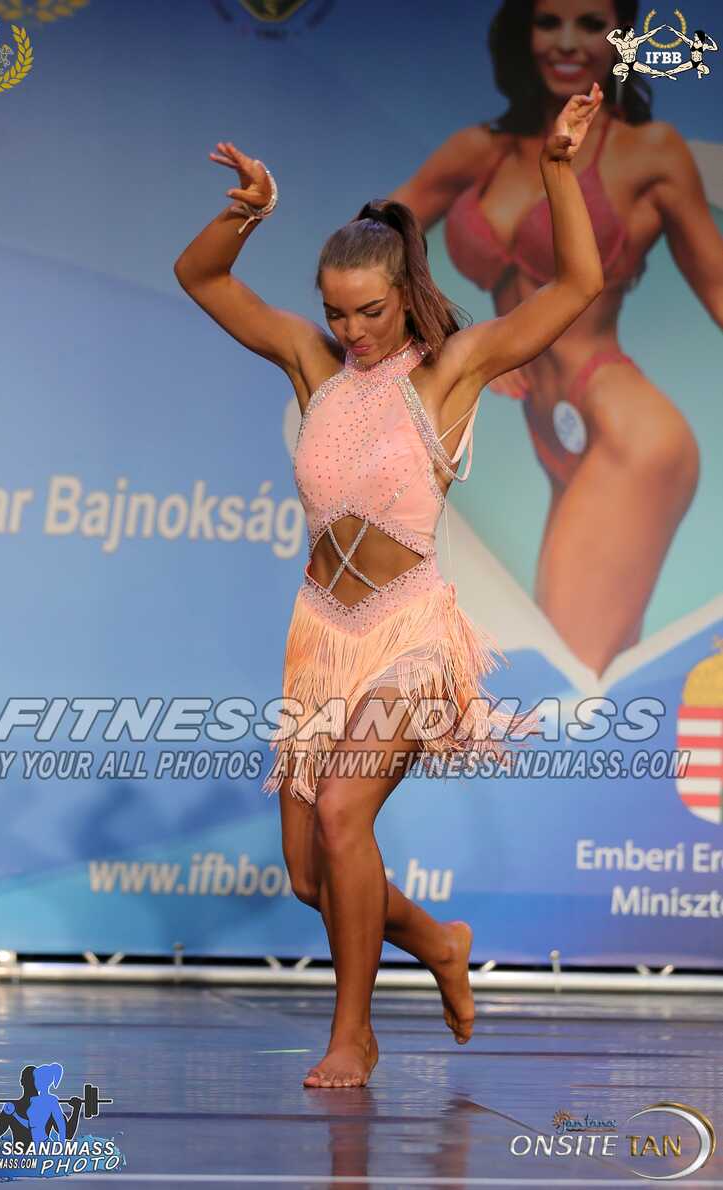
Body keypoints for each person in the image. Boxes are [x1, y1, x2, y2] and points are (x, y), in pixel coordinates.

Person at [173, 83, 604, 1088]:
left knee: (341, 816)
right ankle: (439, 940)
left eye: (367, 310)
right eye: (335, 310)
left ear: (405, 293)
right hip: (319, 634)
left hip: (409, 629)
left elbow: (579, 282)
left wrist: (556, 169)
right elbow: (200, 276)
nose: (350, 327)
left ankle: (354, 1033)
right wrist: (248, 213)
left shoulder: (451, 369)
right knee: (306, 874)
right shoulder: (310, 363)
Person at [390, 0, 723, 677]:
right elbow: (367, 257)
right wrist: (456, 344)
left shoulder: (648, 152)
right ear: (524, 32)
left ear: (620, 38)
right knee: (593, 677)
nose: (567, 42)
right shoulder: (480, 152)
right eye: (549, 22)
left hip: (627, 430)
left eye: (591, 24)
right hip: (555, 438)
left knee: (563, 678)